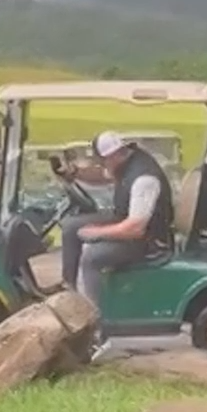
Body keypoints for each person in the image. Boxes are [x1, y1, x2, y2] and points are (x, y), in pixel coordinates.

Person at [60, 130, 175, 361]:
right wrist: (74, 173)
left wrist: (97, 233)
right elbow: (102, 176)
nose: (102, 165)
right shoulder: (122, 163)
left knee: (91, 259)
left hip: (147, 240)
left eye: (102, 160)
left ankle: (98, 331)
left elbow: (136, 228)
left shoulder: (144, 178)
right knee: (71, 227)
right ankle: (68, 293)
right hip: (125, 222)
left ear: (113, 156)